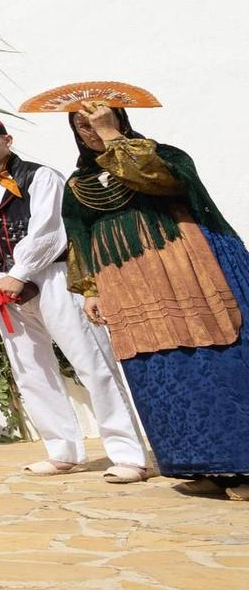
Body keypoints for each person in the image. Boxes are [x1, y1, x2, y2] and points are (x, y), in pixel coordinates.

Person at [63, 97, 249, 499]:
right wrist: (91, 289)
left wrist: (114, 137)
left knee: (207, 361)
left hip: (183, 271)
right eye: (83, 126)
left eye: (98, 121)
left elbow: (159, 180)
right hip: (125, 284)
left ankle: (239, 467)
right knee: (155, 372)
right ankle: (195, 463)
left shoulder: (162, 156)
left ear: (117, 118)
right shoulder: (78, 184)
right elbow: (79, 237)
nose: (91, 132)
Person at [0, 107, 149, 481]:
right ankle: (62, 450)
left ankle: (128, 454)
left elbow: (49, 230)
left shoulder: (41, 176)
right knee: (30, 370)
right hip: (3, 289)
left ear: (6, 141)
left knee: (91, 361)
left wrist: (20, 272)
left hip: (53, 278)